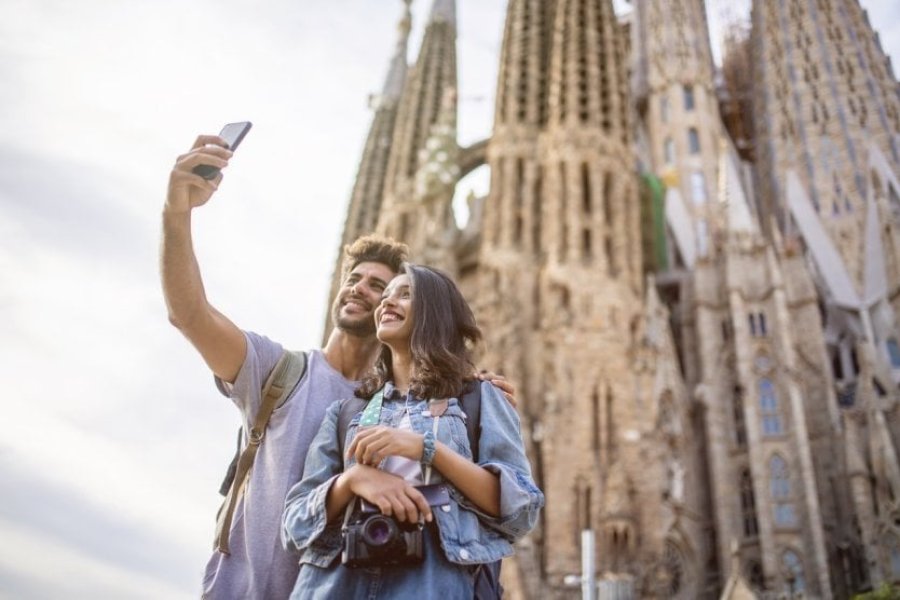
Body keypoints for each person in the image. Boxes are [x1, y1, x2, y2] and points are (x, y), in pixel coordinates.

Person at [161, 134, 514, 599]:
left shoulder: (407, 408)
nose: (361, 290)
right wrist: (176, 210)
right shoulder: (280, 373)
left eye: (382, 288)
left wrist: (472, 392)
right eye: (355, 279)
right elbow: (189, 314)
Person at [282, 264, 544, 599]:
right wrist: (353, 480)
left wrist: (427, 448)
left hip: (432, 582)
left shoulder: (479, 398)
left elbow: (519, 509)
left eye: (405, 295)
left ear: (435, 312)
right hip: (336, 584)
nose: (387, 303)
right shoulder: (347, 412)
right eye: (386, 297)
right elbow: (293, 526)